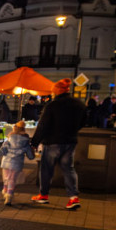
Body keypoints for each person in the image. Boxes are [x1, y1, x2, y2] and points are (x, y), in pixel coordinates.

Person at [31, 79, 87, 210]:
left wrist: (34, 142)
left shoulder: (52, 105)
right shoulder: (79, 104)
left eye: (53, 90)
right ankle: (73, 198)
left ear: (57, 91)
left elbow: (43, 125)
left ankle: (44, 195)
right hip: (70, 141)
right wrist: (73, 131)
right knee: (69, 169)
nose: (52, 93)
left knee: (46, 169)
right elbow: (84, 121)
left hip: (52, 142)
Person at [0, 121, 35, 206]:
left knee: (6, 178)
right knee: (12, 179)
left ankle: (5, 190)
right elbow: (31, 156)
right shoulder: (26, 141)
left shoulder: (9, 138)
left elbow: (3, 150)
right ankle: (9, 196)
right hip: (17, 162)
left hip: (6, 161)